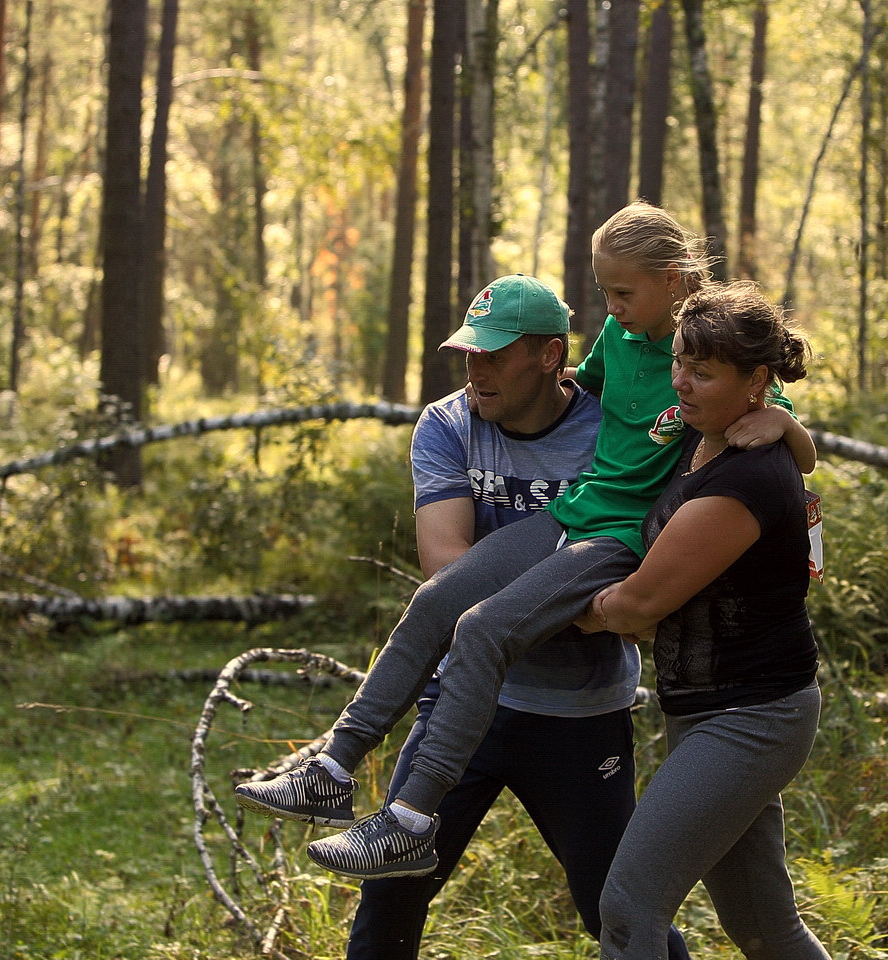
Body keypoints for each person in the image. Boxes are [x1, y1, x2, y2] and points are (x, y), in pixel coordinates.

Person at [236, 202, 816, 882]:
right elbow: (585, 384)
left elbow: (768, 418)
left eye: (623, 292)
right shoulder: (619, 337)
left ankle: (411, 822)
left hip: (620, 537)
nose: (611, 306)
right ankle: (332, 770)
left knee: (482, 630)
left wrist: (788, 427)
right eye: (604, 291)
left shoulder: (702, 355)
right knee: (437, 601)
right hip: (574, 512)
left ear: (673, 279)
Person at [347, 273, 691, 960]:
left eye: (495, 355)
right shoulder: (448, 424)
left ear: (548, 355)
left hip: (581, 711)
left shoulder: (615, 428)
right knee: (390, 898)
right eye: (468, 354)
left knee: (615, 912)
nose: (476, 371)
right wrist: (580, 607)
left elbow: (646, 582)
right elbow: (446, 571)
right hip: (460, 703)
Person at [583, 281, 829, 960]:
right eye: (679, 363)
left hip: (752, 716)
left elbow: (639, 606)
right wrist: (787, 424)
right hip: (705, 708)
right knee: (762, 928)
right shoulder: (701, 436)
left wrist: (556, 611)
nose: (681, 383)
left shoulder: (748, 479)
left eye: (703, 372)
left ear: (757, 382)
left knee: (628, 908)